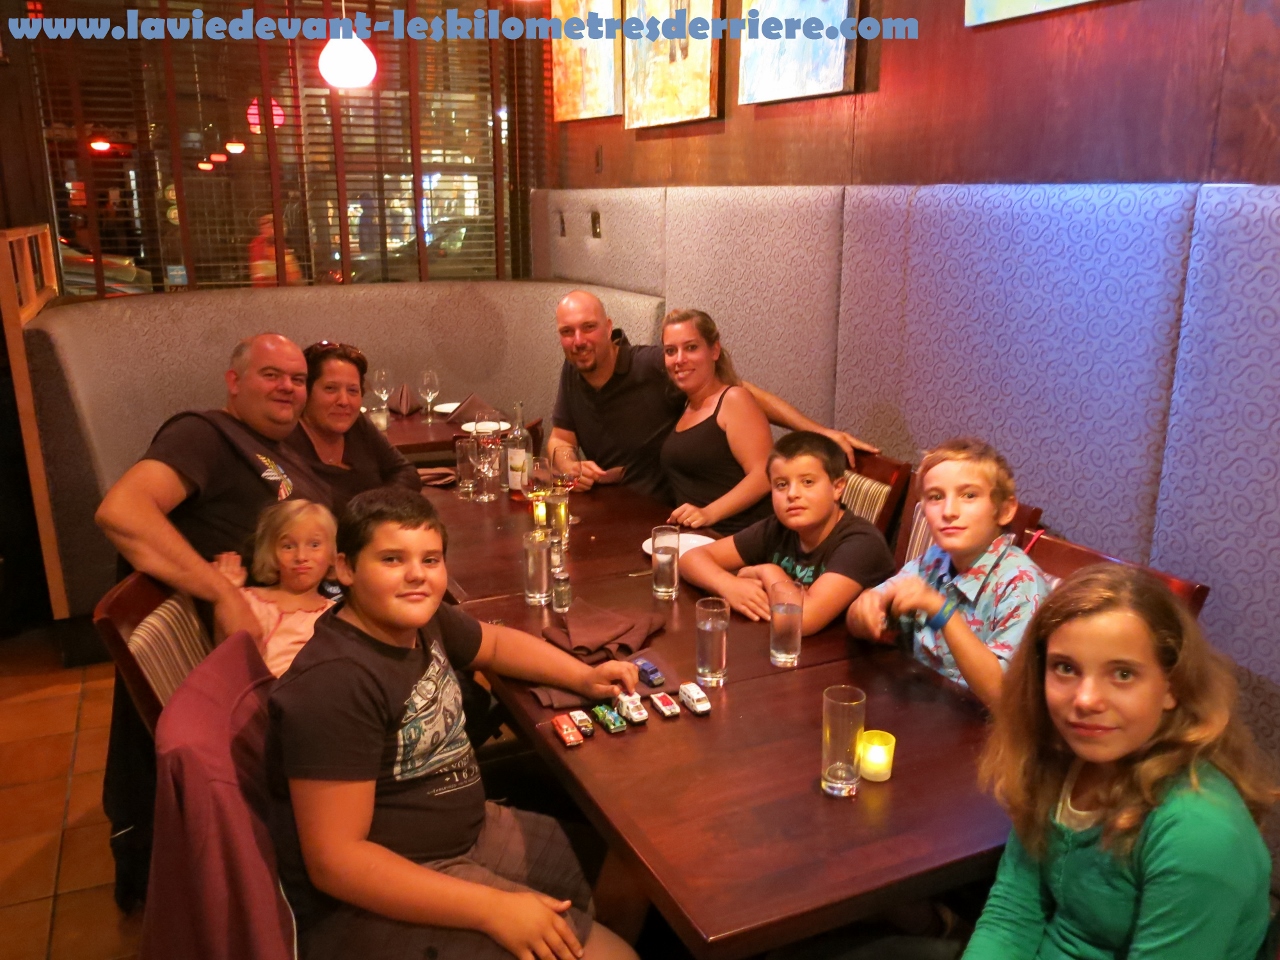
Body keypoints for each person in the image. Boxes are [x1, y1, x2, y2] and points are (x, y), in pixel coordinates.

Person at [267, 488, 640, 960]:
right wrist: (493, 909)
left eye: (430, 559)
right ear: (345, 568)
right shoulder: (333, 684)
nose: (416, 575)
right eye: (391, 559)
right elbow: (337, 863)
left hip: (471, 831)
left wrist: (584, 676)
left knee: (630, 875)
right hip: (387, 888)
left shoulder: (421, 620)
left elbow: (495, 645)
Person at [94, 332, 330, 910]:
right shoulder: (203, 433)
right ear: (233, 381)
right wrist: (221, 592)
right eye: (271, 375)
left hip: (307, 618)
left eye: (298, 379)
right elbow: (121, 511)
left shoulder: (275, 444)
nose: (288, 388)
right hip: (270, 659)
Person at [963, 564, 1276, 960]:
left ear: (1172, 686)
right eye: (1065, 668)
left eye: (1123, 674)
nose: (1085, 700)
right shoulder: (1063, 759)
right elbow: (1013, 914)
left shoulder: (1198, 834)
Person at [545, 290, 877, 502]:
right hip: (609, 509)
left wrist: (817, 431)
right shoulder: (572, 370)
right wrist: (570, 465)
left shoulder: (652, 364)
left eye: (588, 327)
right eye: (567, 332)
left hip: (662, 514)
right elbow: (560, 439)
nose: (579, 341)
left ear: (608, 327)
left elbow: (737, 391)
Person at [846, 438, 1050, 709]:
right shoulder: (933, 560)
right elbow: (865, 611)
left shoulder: (1021, 584)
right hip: (926, 706)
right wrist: (864, 610)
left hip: (983, 725)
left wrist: (941, 611)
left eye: (969, 495)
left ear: (1004, 510)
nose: (949, 511)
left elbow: (1002, 694)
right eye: (936, 497)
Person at [681, 432, 895, 635]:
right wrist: (728, 585)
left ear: (837, 488)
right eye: (781, 485)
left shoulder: (861, 543)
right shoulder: (778, 528)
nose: (792, 494)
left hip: (853, 657)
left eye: (807, 482)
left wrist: (767, 571)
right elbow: (690, 558)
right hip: (792, 649)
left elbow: (800, 620)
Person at [658, 309, 774, 534]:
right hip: (698, 535)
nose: (679, 359)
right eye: (671, 351)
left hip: (740, 536)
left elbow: (764, 474)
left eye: (691, 347)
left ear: (714, 350)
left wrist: (708, 513)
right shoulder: (684, 405)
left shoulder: (734, 399)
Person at [284, 340, 421, 510]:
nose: (344, 401)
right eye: (330, 388)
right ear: (306, 392)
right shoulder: (286, 441)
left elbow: (406, 472)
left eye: (353, 391)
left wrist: (375, 510)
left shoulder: (358, 425)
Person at [212, 499, 337, 677]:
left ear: (333, 555)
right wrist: (227, 593)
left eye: (314, 545)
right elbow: (220, 654)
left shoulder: (334, 619)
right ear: (272, 553)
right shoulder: (246, 599)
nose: (301, 556)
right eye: (288, 546)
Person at [249, 213, 303, 287]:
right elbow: (264, 279)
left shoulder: (280, 245)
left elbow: (293, 273)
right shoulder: (260, 246)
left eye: (284, 225)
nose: (284, 229)